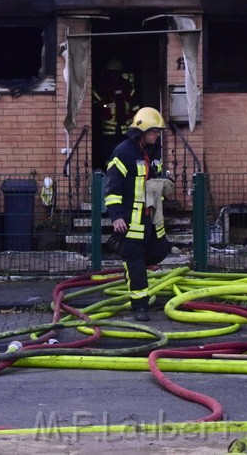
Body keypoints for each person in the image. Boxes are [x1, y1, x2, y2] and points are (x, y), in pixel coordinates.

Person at [104, 106, 172, 322]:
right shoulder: (123, 152)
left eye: (158, 132)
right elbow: (112, 188)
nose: (156, 135)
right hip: (130, 220)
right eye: (153, 131)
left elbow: (158, 180)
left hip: (151, 218)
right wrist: (116, 216)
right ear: (142, 131)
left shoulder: (154, 153)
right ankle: (140, 306)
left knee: (162, 249)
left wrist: (167, 185)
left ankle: (132, 268)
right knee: (135, 261)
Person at [93, 59, 136, 166]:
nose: (114, 76)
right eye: (112, 73)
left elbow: (135, 105)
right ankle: (109, 173)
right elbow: (98, 105)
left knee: (125, 152)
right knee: (109, 153)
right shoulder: (102, 86)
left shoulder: (127, 86)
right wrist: (112, 105)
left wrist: (132, 119)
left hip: (126, 129)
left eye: (116, 73)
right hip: (108, 130)